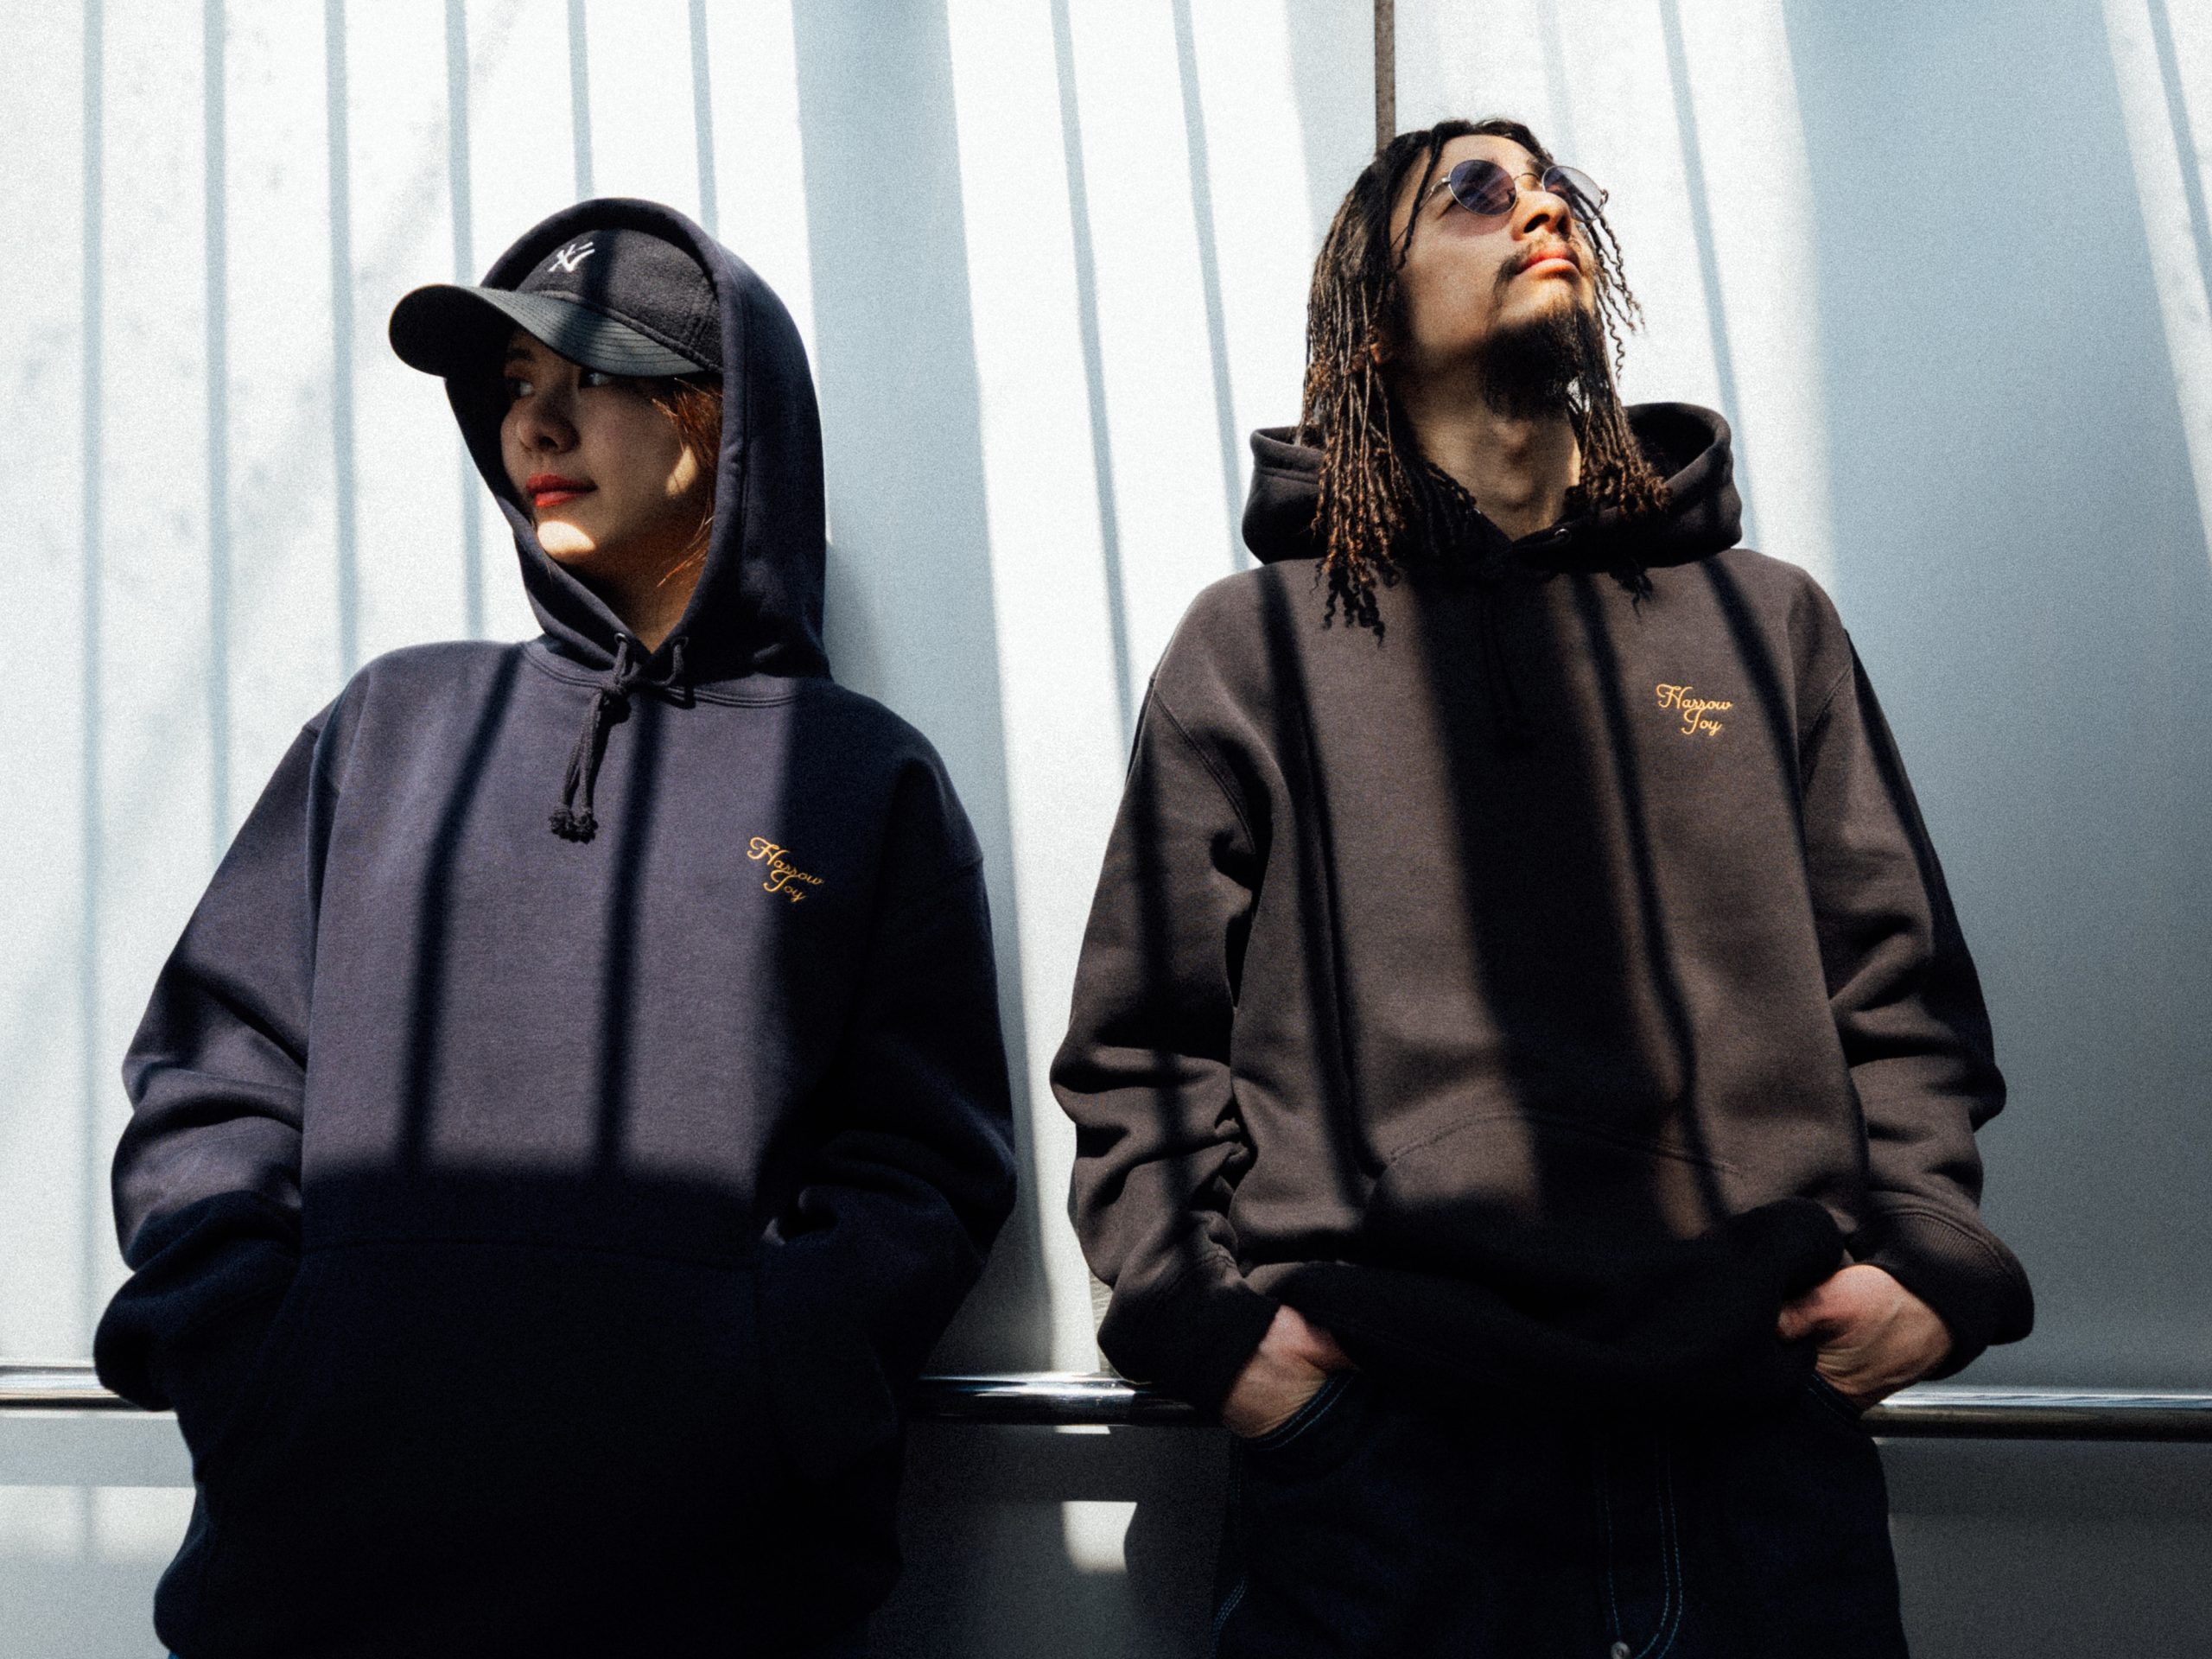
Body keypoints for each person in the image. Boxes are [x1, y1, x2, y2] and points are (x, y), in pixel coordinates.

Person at [1052, 118, 2031, 1657]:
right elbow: (1147, 1043)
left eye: (1555, 186)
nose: (1540, 210)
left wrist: (1927, 1266)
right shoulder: (1252, 648)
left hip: (1750, 1447)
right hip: (1390, 1466)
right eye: (1476, 193)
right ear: (1374, 322)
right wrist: (1222, 1337)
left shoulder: (1764, 622)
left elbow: (1897, 986)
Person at [93, 199, 1016, 1657]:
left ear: (719, 420)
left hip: (703, 1595)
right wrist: (258, 1359)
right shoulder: (396, 724)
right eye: (516, 384)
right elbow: (216, 1071)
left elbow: (924, 1170)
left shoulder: (856, 778)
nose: (537, 420)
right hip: (319, 1583)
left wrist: (761, 1385)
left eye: (592, 375)